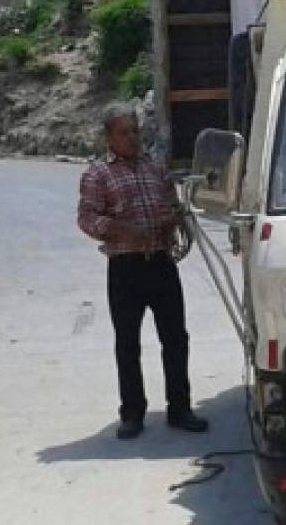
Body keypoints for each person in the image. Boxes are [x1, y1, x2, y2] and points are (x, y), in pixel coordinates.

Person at [77, 104, 208, 440]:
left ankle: (180, 408)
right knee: (128, 343)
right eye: (124, 132)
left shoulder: (155, 168)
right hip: (125, 267)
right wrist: (120, 229)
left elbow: (171, 203)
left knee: (176, 338)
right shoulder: (97, 175)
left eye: (135, 130)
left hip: (162, 263)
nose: (133, 138)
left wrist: (175, 217)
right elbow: (87, 219)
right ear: (109, 138)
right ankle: (132, 413)